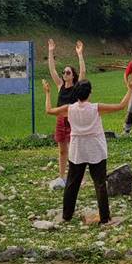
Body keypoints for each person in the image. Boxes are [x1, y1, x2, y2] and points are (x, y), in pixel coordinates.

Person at [43, 76, 132, 225]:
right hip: (96, 150)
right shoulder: (95, 108)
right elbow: (121, 106)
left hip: (77, 150)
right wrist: (130, 89)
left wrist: (47, 93)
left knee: (72, 184)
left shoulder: (69, 109)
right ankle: (105, 218)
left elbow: (49, 110)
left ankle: (66, 215)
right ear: (89, 93)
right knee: (100, 184)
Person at [46, 39, 86, 190]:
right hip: (60, 121)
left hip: (73, 121)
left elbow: (83, 72)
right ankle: (62, 177)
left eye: (68, 72)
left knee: (75, 151)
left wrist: (80, 54)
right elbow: (52, 70)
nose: (64, 74)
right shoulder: (60, 86)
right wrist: (51, 51)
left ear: (73, 75)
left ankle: (80, 177)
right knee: (62, 150)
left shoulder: (77, 87)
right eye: (64, 72)